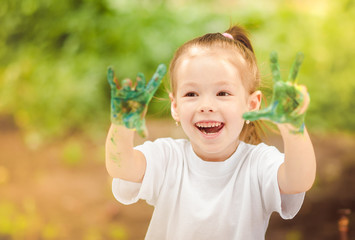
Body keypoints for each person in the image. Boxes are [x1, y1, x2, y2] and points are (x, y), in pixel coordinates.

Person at [105, 25, 316, 240]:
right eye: (191, 93)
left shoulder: (258, 164)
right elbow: (122, 167)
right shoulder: (167, 158)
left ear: (252, 104)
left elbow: (299, 180)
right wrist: (121, 124)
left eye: (222, 93)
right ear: (175, 107)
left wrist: (293, 128)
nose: (206, 105)